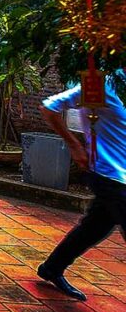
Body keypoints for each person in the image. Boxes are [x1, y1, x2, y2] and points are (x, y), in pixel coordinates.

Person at [37, 71, 126, 300]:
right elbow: (50, 107)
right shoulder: (100, 84)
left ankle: (52, 268)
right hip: (109, 175)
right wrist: (75, 145)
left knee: (94, 228)